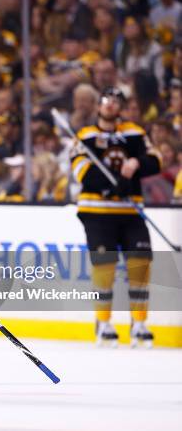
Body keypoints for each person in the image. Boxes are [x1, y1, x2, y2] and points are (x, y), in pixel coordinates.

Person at [70, 87, 161, 347]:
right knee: (105, 265)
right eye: (106, 101)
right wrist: (112, 185)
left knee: (141, 262)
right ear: (98, 106)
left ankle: (140, 323)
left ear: (121, 107)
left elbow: (155, 159)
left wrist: (136, 165)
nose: (110, 105)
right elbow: (82, 172)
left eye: (116, 101)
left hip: (130, 210)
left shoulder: (134, 133)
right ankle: (103, 322)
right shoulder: (86, 136)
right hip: (97, 210)